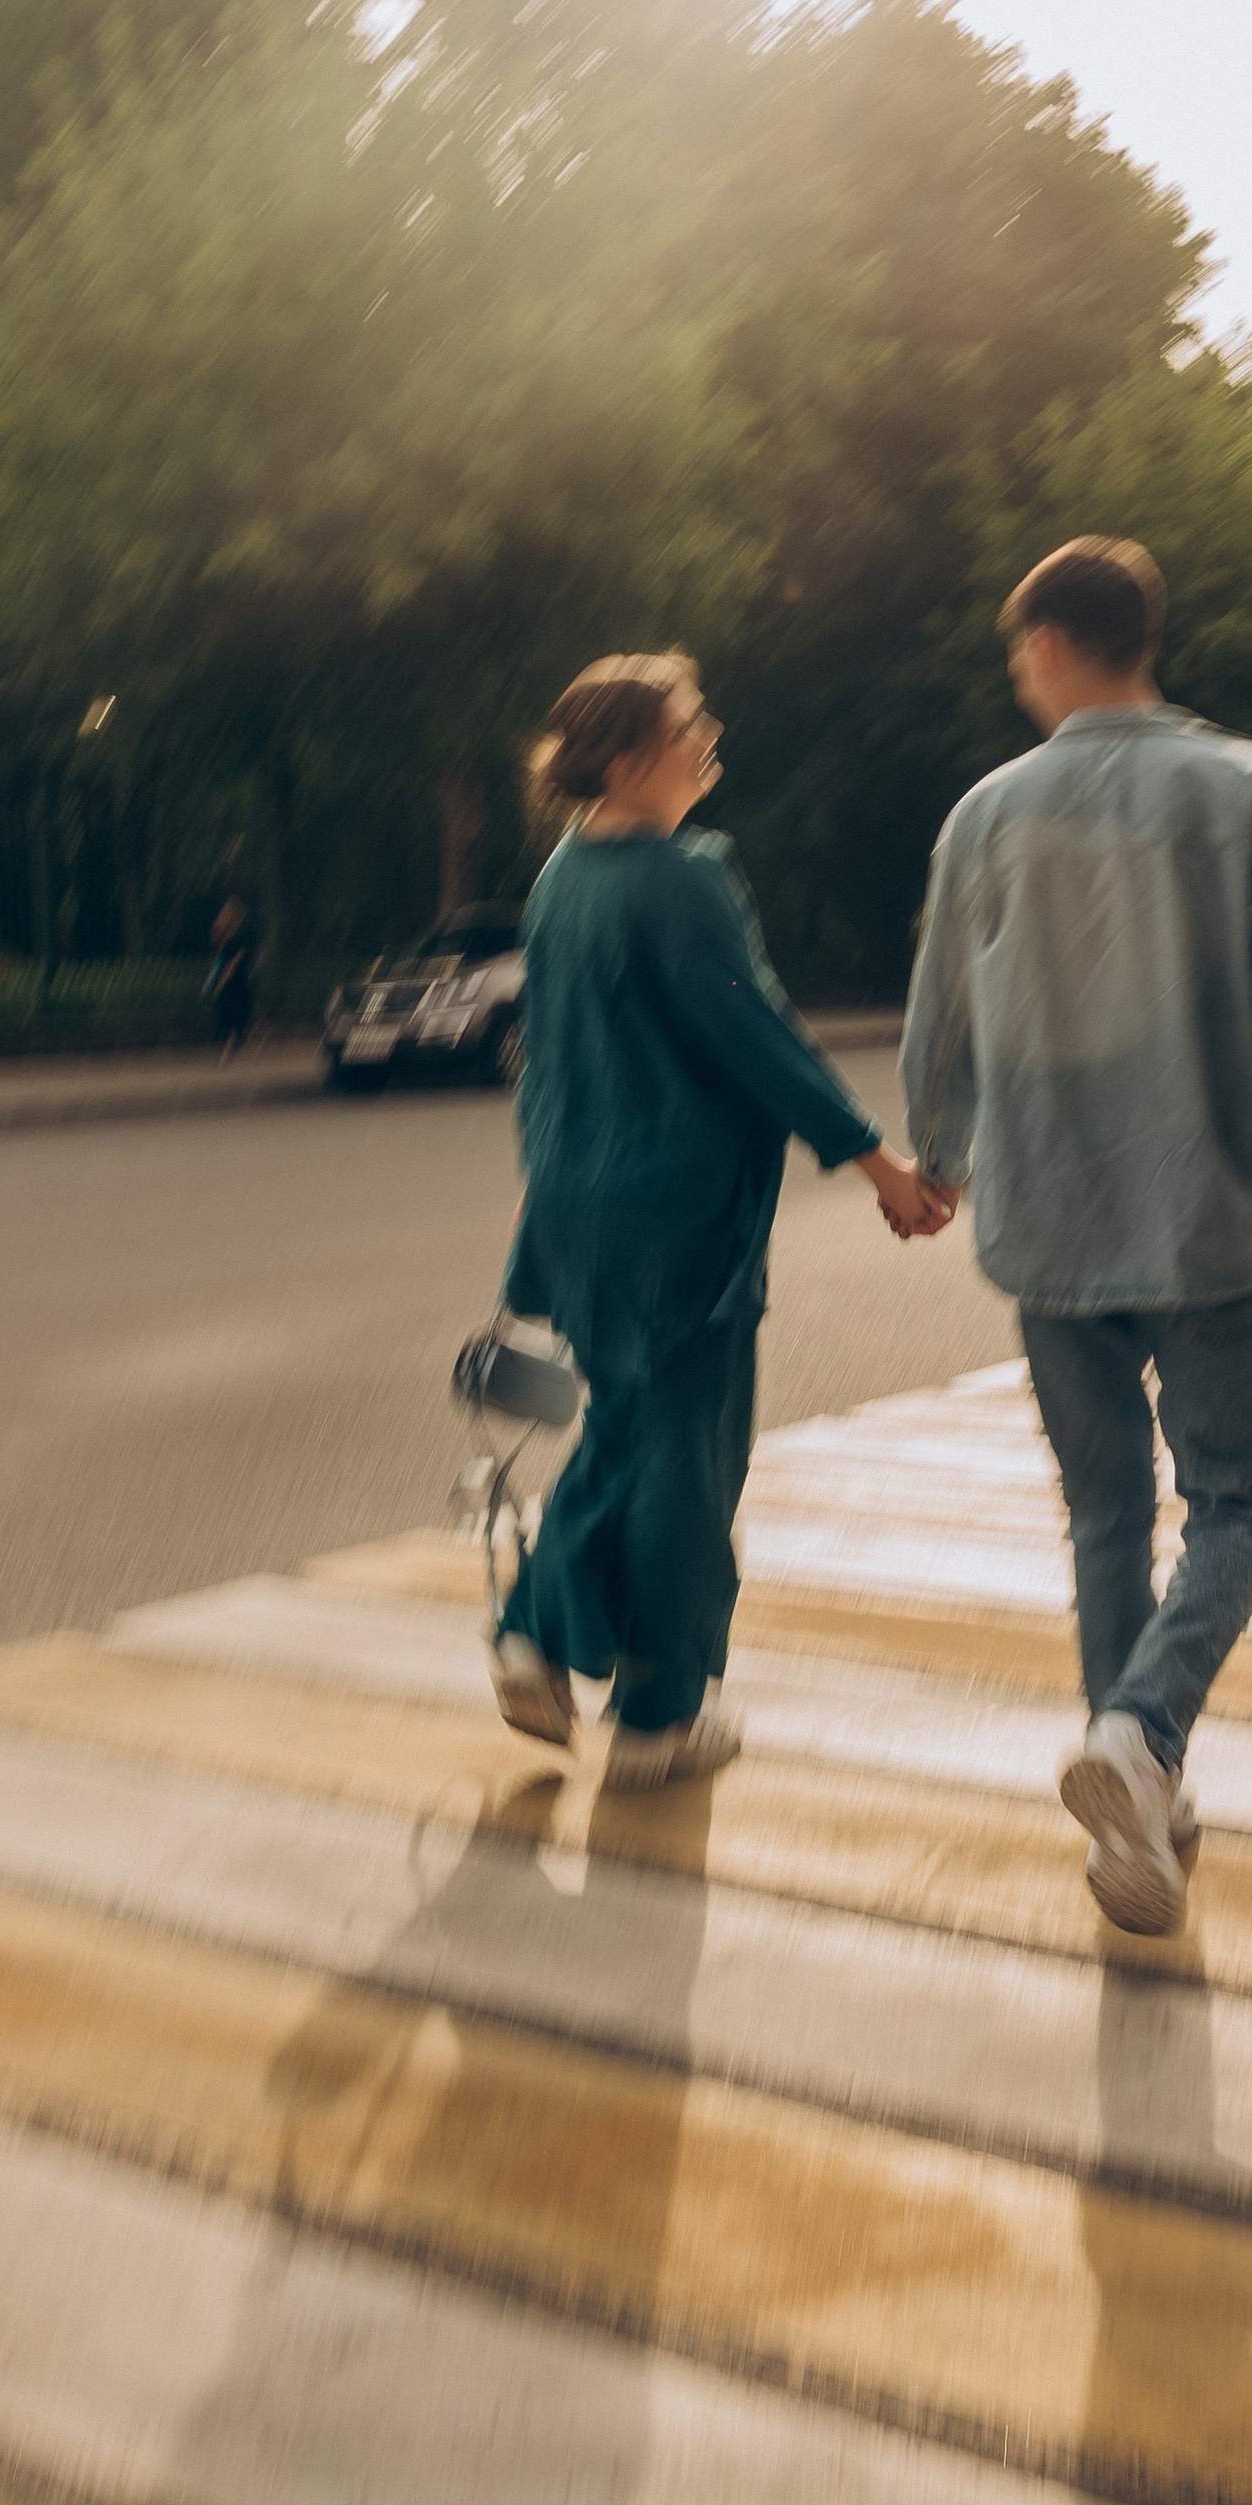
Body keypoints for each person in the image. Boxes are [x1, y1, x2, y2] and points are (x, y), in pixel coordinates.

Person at [899, 537, 1252, 1933]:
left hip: (1046, 1223)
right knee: (1238, 1503)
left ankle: (1138, 1797)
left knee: (1103, 1511)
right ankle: (1143, 1736)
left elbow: (939, 1014)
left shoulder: (984, 813)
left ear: (1043, 645)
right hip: (1208, 1215)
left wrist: (945, 1150)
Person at [492, 652, 949, 1790]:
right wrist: (876, 1162)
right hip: (676, 1214)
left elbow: (547, 1060)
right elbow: (760, 1039)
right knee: (689, 1458)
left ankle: (536, 1631)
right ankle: (658, 1713)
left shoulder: (560, 880)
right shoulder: (685, 876)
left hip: (577, 1202)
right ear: (634, 755)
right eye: (691, 722)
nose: (712, 735)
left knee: (624, 1425)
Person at [208, 893, 258, 1057]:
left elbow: (235, 960)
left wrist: (222, 981)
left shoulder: (242, 932)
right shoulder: (230, 931)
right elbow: (221, 955)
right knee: (237, 1016)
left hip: (236, 978)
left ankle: (226, 1054)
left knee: (233, 1016)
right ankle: (255, 1043)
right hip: (234, 977)